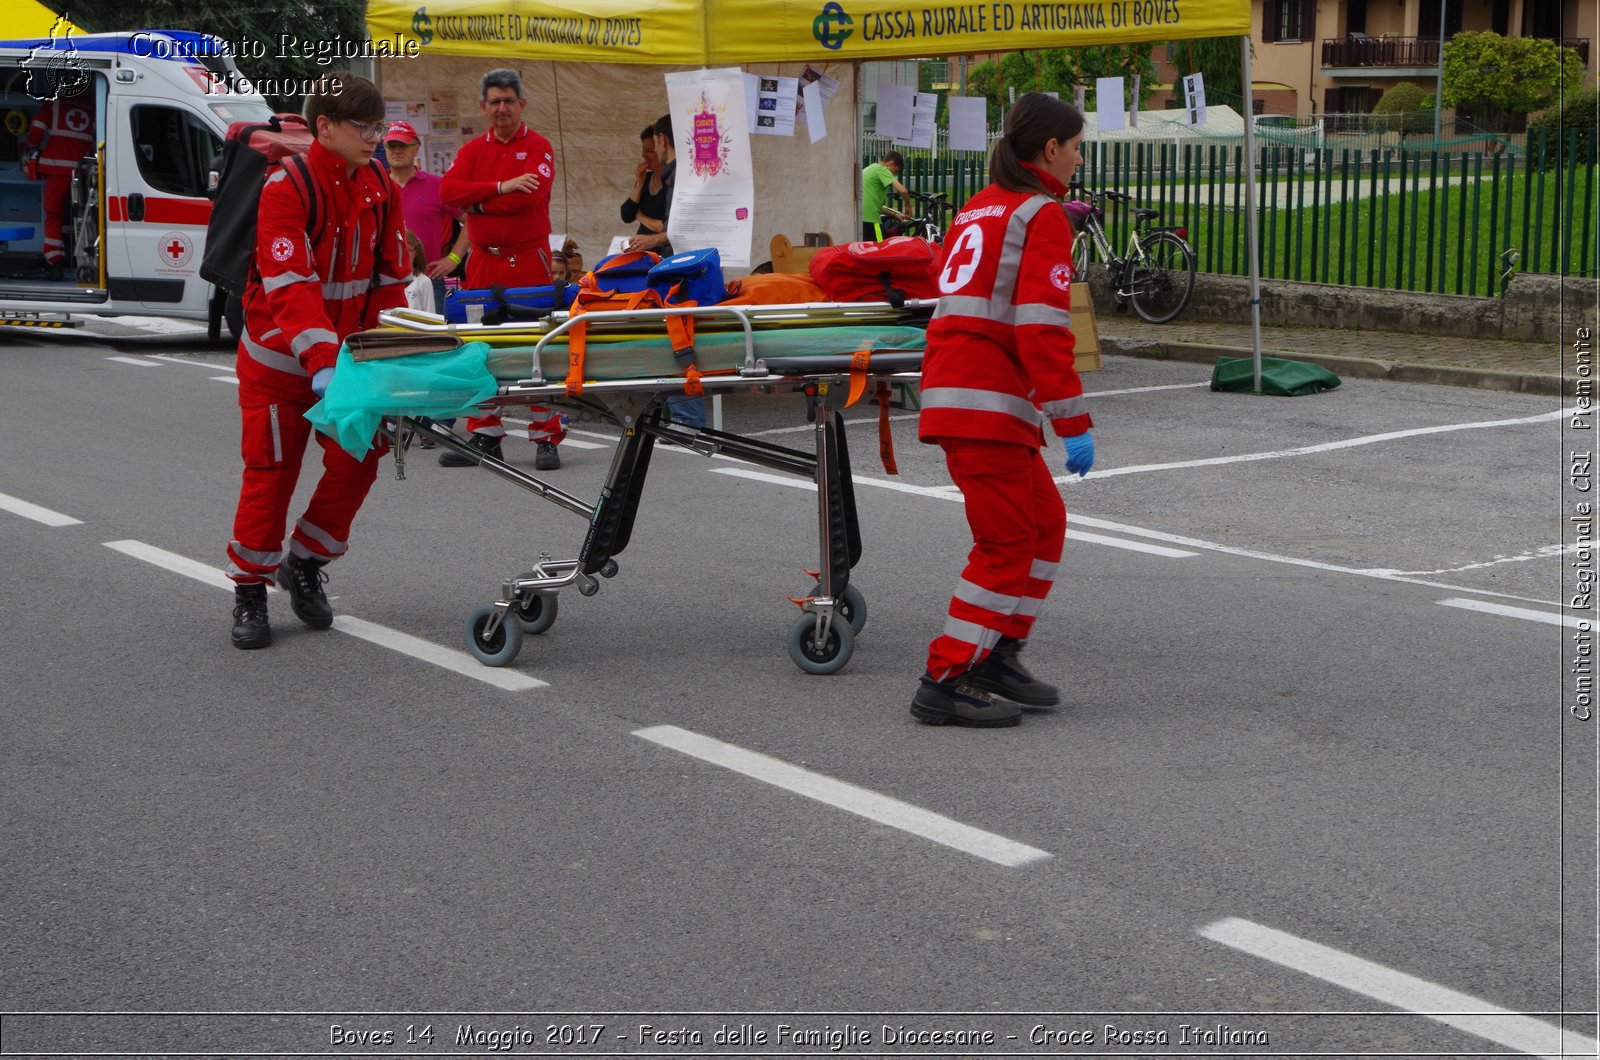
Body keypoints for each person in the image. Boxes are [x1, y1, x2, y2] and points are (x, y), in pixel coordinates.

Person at [910, 92, 1094, 728]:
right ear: (1050, 150)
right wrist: (1072, 421)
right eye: (1074, 145)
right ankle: (947, 675)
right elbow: (1042, 328)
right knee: (1007, 542)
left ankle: (997, 652)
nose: (1079, 157)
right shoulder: (1041, 214)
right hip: (985, 403)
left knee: (1043, 526)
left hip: (967, 398)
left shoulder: (978, 207)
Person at [225, 73, 411, 650]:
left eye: (379, 127)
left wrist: (389, 357)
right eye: (365, 127)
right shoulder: (286, 187)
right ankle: (250, 591)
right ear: (323, 127)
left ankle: (303, 563)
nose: (376, 138)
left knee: (360, 460)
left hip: (347, 362)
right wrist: (322, 362)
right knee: (271, 473)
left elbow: (388, 282)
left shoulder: (380, 182)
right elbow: (291, 286)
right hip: (278, 363)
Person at [439, 67, 565, 472]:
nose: (502, 108)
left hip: (528, 260)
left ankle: (546, 437)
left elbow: (528, 200)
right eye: (494, 101)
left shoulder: (540, 146)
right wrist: (501, 186)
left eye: (509, 100)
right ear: (483, 107)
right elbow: (447, 192)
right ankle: (485, 435)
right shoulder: (473, 150)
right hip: (482, 263)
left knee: (535, 346)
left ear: (522, 104)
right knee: (480, 348)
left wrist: (476, 201)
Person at [625, 115, 699, 428]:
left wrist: (652, 237)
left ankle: (686, 418)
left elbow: (678, 227)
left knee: (680, 339)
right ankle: (679, 414)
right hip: (676, 265)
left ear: (661, 140)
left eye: (651, 145)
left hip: (678, 267)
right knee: (676, 338)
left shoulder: (677, 174)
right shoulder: (676, 173)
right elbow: (628, 212)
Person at [383, 119, 467, 311]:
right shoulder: (376, 186)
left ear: (416, 149)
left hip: (429, 281)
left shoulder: (436, 186)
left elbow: (471, 222)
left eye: (403, 145)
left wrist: (454, 259)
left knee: (433, 338)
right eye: (392, 145)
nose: (397, 150)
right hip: (386, 283)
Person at [22, 82, 94, 273]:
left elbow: (36, 133)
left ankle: (54, 259)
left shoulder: (53, 103)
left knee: (53, 215)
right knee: (85, 215)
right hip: (83, 172)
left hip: (57, 169)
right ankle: (88, 259)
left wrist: (28, 147)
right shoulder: (92, 107)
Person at [620, 124, 667, 242]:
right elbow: (627, 215)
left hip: (661, 250)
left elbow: (666, 226)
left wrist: (640, 216)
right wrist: (640, 183)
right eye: (643, 149)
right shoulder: (646, 178)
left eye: (649, 151)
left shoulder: (672, 183)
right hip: (642, 249)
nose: (643, 155)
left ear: (661, 151)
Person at [860, 149, 908, 242]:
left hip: (860, 219)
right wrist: (908, 207)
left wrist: (895, 215)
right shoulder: (882, 169)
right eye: (895, 171)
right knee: (879, 250)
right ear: (891, 163)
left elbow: (877, 206)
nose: (893, 175)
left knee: (865, 251)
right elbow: (903, 190)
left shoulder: (870, 168)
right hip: (872, 220)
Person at [403, 231, 435, 313]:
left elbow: (430, 313)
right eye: (403, 249)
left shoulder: (424, 281)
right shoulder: (392, 281)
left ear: (416, 253)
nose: (405, 254)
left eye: (409, 250)